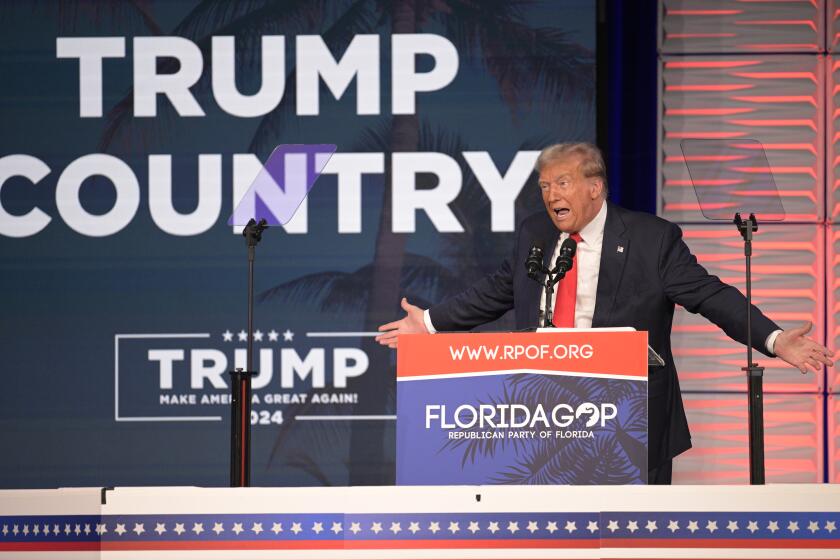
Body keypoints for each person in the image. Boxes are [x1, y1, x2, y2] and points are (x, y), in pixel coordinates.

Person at [376, 142, 834, 484]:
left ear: (595, 188)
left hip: (626, 417)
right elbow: (498, 290)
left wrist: (774, 339)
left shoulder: (652, 239)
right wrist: (431, 323)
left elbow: (709, 295)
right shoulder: (535, 233)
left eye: (561, 182)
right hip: (544, 415)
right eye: (543, 186)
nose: (550, 193)